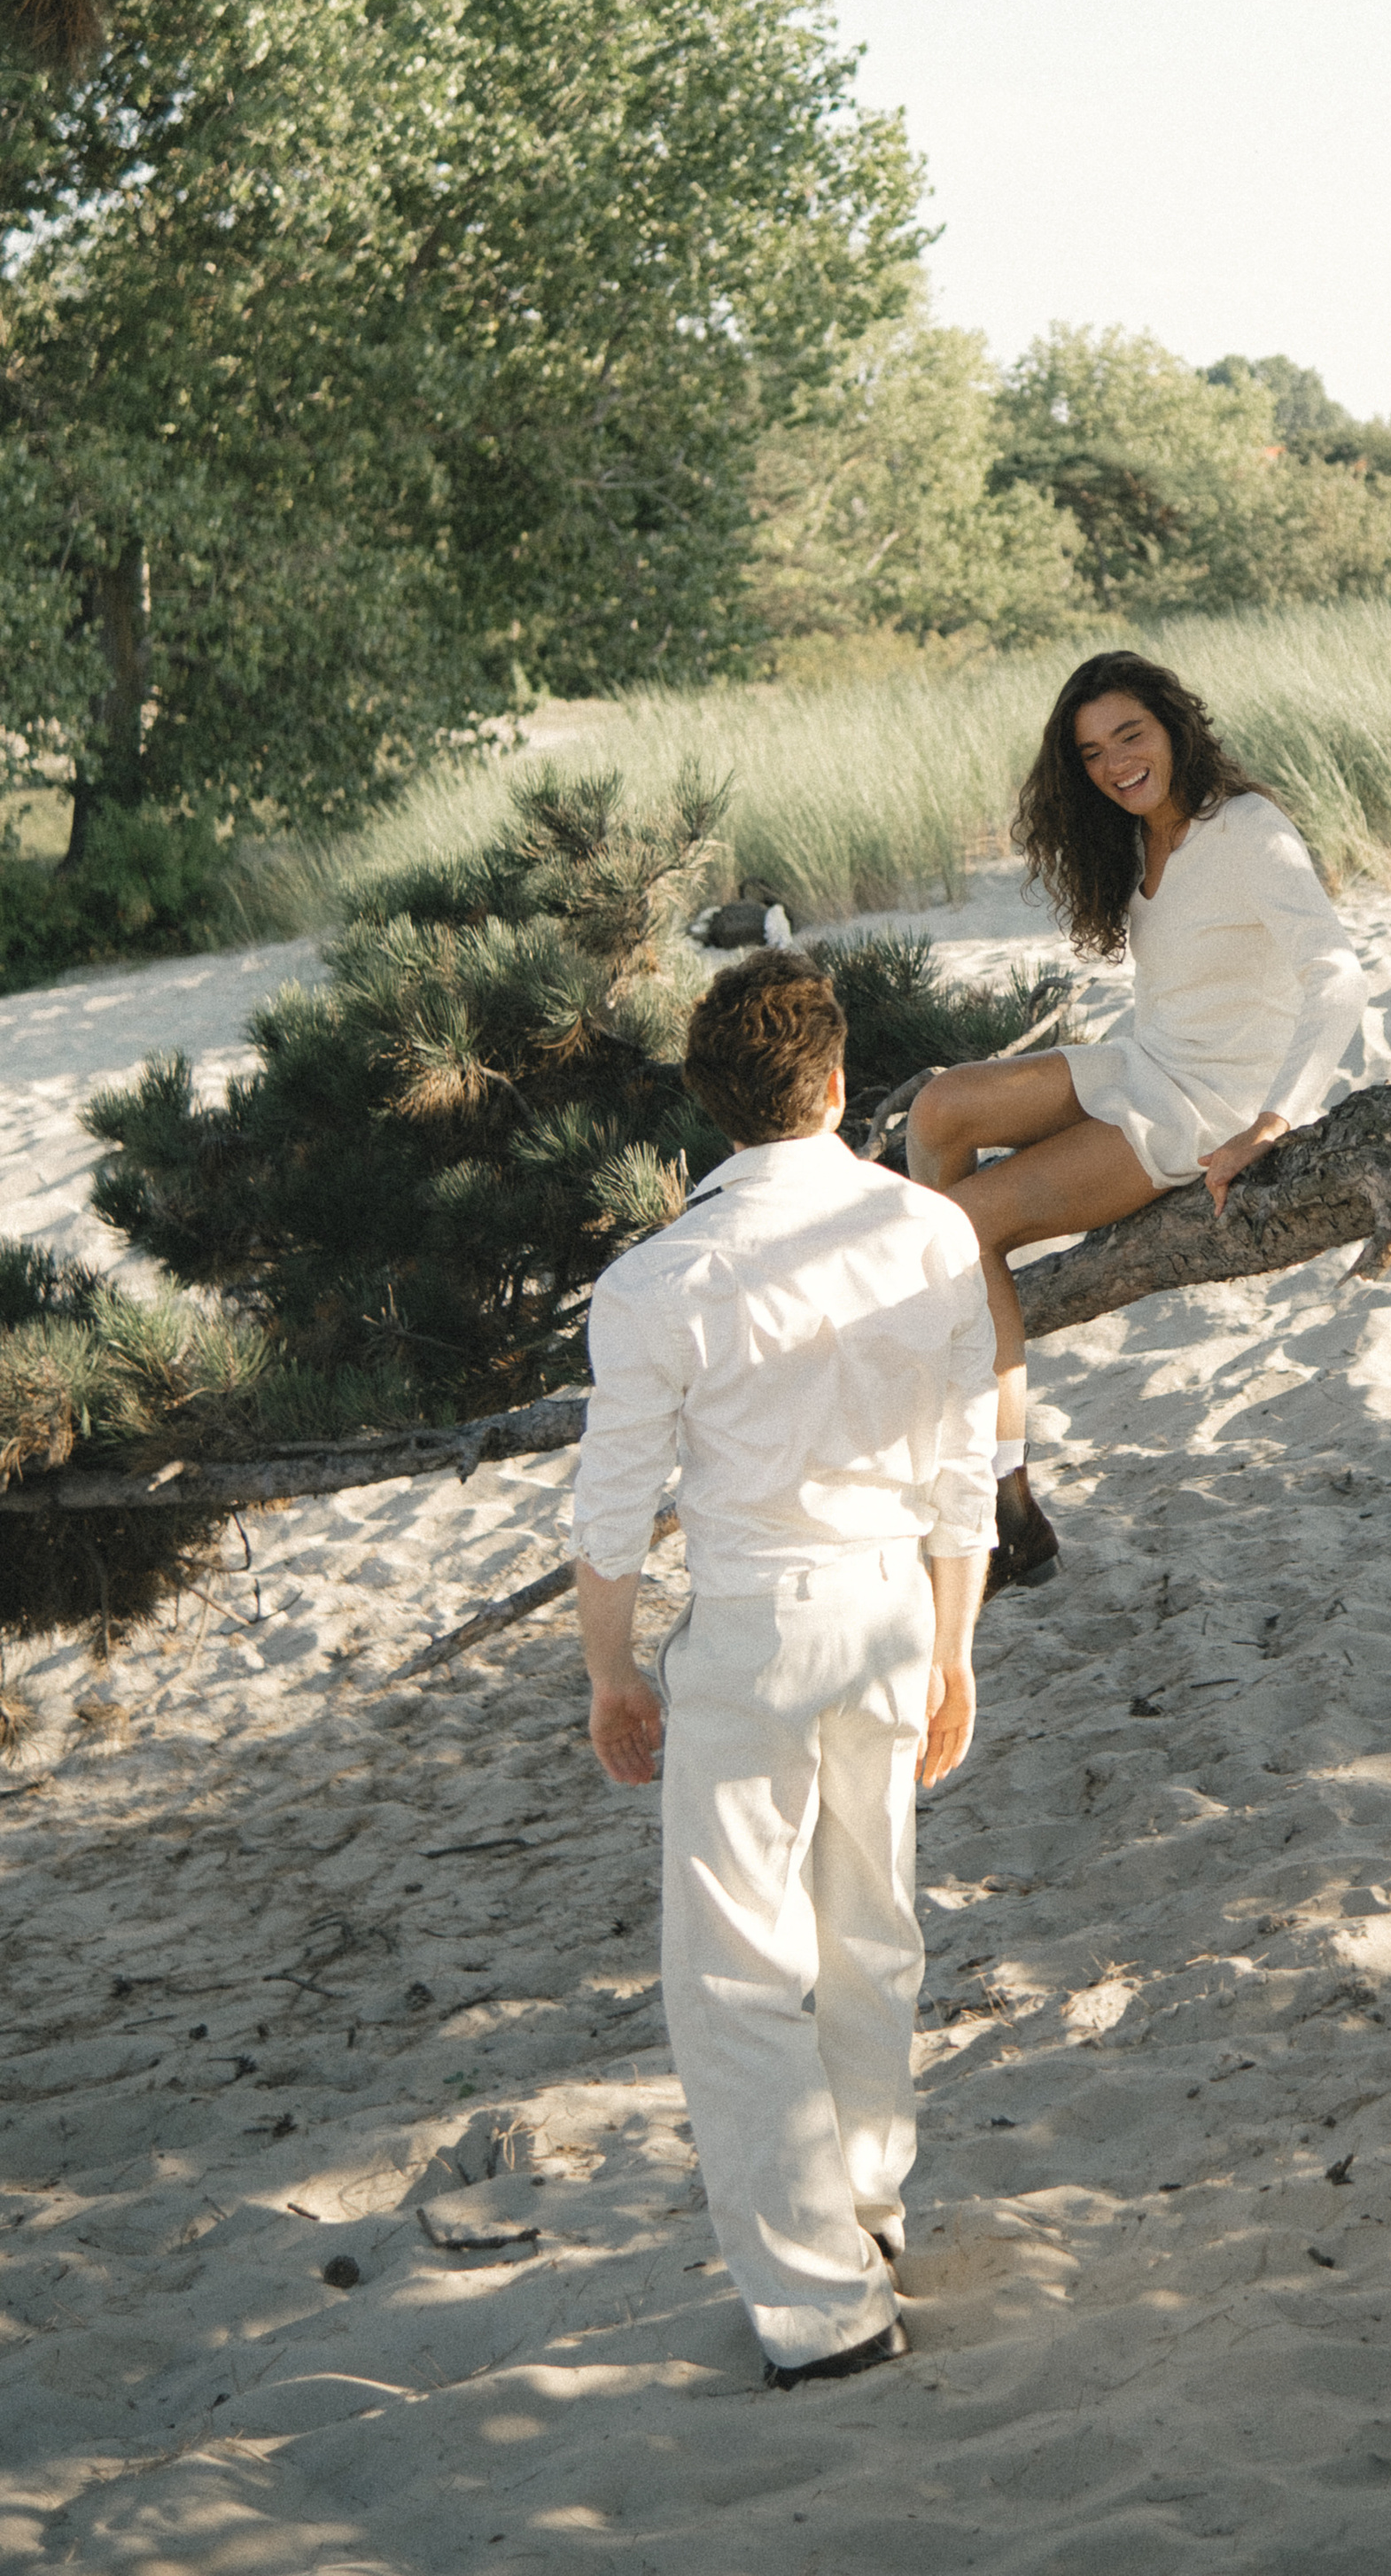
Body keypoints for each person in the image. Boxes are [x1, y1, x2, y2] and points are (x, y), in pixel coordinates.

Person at [571, 944, 994, 2390]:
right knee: (872, 1930)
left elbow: (612, 1513)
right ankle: (866, 2218)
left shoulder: (654, 1279)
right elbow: (966, 1469)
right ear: (833, 1083)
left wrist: (612, 1674)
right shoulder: (929, 1230)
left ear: (714, 1102)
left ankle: (826, 2307)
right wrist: (956, 1649)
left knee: (738, 1975)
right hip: (890, 1611)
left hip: (756, 1624)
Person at [907, 648, 1366, 1593]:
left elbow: (1338, 977)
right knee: (941, 1105)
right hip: (1142, 1061)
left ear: (1174, 727)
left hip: (1205, 1102)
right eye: (1092, 753)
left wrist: (1274, 1121)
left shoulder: (1248, 829)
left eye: (1131, 736)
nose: (1116, 764)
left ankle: (1004, 1502)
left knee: (959, 1227)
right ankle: (957, 1332)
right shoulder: (1141, 837)